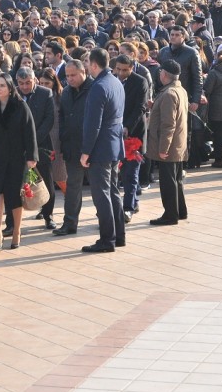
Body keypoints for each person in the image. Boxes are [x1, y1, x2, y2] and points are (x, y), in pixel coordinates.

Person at [0, 72, 38, 250]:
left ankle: (16, 231)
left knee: (14, 196)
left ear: (9, 87)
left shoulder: (20, 106)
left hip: (16, 158)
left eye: (2, 85)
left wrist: (31, 157)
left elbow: (30, 132)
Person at [79, 48, 126, 252]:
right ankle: (119, 236)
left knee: (102, 194)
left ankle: (107, 239)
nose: (87, 66)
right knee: (113, 191)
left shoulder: (98, 86)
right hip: (114, 144)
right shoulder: (115, 81)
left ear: (94, 64)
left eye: (88, 63)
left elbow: (93, 124)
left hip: (101, 147)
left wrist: (85, 152)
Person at [147, 60, 189, 225]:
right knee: (176, 180)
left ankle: (170, 214)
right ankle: (180, 211)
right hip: (178, 144)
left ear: (164, 74)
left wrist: (163, 148)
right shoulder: (179, 90)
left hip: (169, 146)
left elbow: (168, 124)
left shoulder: (168, 94)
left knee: (168, 182)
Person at [15, 67, 56, 229]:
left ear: (35, 80)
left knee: (46, 180)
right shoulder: (14, 94)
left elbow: (49, 120)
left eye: (28, 83)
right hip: (18, 146)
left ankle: (48, 215)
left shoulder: (45, 94)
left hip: (41, 144)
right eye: (21, 83)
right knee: (16, 183)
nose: (24, 86)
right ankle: (14, 221)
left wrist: (32, 141)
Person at [55, 60, 91, 236]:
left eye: (73, 75)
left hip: (92, 148)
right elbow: (61, 116)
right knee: (73, 186)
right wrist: (63, 137)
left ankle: (107, 219)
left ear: (83, 72)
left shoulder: (94, 89)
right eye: (67, 76)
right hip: (71, 147)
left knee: (100, 187)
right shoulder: (67, 92)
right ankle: (69, 223)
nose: (69, 79)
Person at [117, 55, 150, 222]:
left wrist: (127, 126)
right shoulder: (112, 80)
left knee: (131, 172)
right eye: (119, 69)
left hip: (133, 133)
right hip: (114, 133)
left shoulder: (140, 82)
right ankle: (128, 202)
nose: (121, 73)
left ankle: (128, 207)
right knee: (119, 173)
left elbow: (140, 108)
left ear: (132, 67)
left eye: (125, 70)